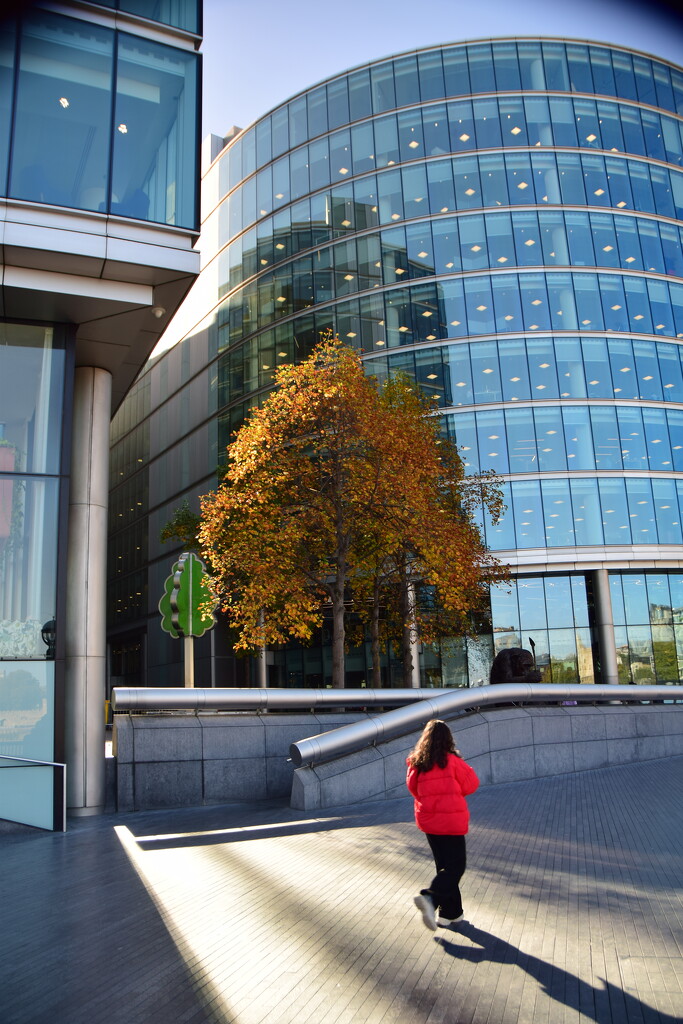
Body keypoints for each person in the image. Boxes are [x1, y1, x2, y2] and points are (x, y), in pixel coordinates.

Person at [406, 719, 479, 931]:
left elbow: (414, 790)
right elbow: (472, 784)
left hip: (429, 821)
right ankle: (430, 897)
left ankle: (450, 914)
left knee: (444, 867)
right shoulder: (453, 761)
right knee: (456, 867)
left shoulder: (416, 763)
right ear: (448, 738)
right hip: (451, 822)